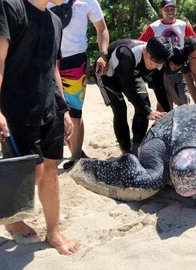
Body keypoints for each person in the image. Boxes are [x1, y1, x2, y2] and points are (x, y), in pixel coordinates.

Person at [0, 0, 79, 255]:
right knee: (29, 173)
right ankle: (11, 219)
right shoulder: (10, 7)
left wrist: (63, 108)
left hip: (49, 108)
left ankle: (53, 230)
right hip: (17, 109)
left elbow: (52, 67)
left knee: (51, 169)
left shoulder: (55, 21)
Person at [48, 0, 109, 170]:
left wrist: (104, 54)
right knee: (53, 110)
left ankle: (75, 157)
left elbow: (101, 28)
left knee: (74, 110)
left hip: (75, 61)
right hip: (47, 58)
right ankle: (73, 150)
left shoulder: (88, 1)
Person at [99, 37, 170, 154]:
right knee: (120, 110)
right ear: (144, 50)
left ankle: (137, 145)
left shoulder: (160, 60)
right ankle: (126, 149)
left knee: (144, 103)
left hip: (132, 75)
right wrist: (148, 112)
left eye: (158, 63)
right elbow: (128, 89)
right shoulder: (126, 54)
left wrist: (168, 112)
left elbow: (159, 86)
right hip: (108, 76)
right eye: (151, 61)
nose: (153, 66)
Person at [139, 0, 196, 111]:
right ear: (161, 11)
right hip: (161, 67)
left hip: (180, 65)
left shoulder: (183, 25)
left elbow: (194, 42)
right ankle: (161, 123)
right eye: (166, 9)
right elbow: (142, 44)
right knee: (163, 100)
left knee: (184, 98)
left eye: (172, 9)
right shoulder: (154, 27)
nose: (170, 12)